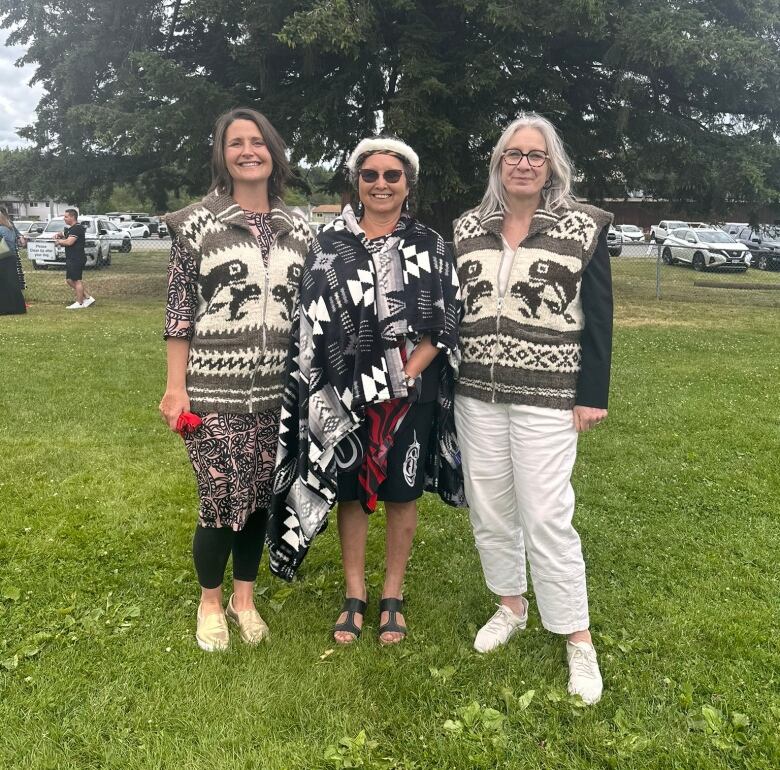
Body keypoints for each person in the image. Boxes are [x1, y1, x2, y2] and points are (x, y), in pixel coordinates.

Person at [267, 135, 463, 645]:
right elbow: (311, 324)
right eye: (370, 175)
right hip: (343, 397)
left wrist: (401, 375)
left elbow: (444, 323)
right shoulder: (329, 245)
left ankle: (392, 596)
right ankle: (354, 594)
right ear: (356, 181)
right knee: (350, 494)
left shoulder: (431, 245)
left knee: (401, 493)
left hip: (409, 394)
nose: (380, 184)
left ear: (407, 183)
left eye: (391, 176)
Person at [453, 113, 613, 705]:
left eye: (535, 155)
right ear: (498, 163)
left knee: (547, 515)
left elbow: (599, 317)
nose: (523, 163)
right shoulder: (467, 228)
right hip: (477, 396)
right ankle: (511, 605)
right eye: (513, 154)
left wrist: (591, 393)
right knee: (492, 510)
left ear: (551, 166)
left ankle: (577, 636)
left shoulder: (582, 226)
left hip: (548, 397)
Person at [159, 107, 311, 652]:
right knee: (220, 499)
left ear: (273, 152)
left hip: (279, 392)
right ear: (223, 157)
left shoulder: (300, 229)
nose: (248, 150)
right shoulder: (194, 224)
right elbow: (179, 314)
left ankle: (245, 598)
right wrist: (176, 388)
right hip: (213, 392)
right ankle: (209, 602)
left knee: (260, 499)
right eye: (235, 143)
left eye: (257, 141)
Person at [54, 209, 95, 309]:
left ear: (72, 217)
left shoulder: (77, 228)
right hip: (71, 258)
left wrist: (59, 241)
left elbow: (69, 242)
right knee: (69, 280)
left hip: (76, 258)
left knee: (77, 280)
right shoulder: (72, 229)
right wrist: (59, 234)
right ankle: (88, 298)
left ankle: (79, 303)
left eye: (66, 216)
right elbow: (66, 234)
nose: (64, 218)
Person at [0, 209, 26, 315]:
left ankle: (7, 307)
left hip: (4, 258)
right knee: (11, 283)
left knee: (5, 284)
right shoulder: (8, 227)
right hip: (9, 257)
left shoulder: (2, 229)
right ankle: (16, 307)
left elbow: (6, 244)